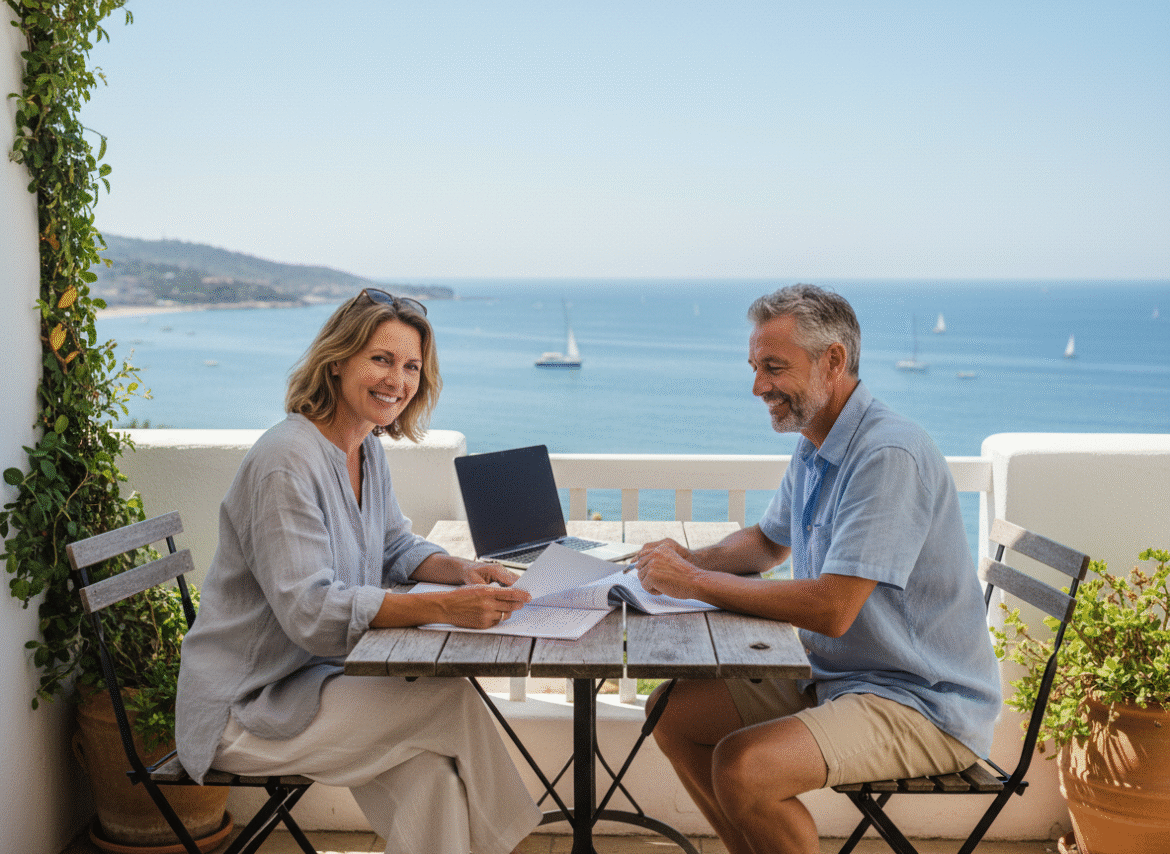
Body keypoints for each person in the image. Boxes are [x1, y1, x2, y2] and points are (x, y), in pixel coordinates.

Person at [633, 284, 1001, 854]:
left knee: (744, 766)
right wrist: (685, 561)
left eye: (774, 367)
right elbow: (765, 543)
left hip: (920, 701)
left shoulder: (886, 456)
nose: (759, 387)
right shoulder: (817, 440)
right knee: (671, 712)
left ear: (834, 360)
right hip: (839, 678)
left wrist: (697, 583)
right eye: (756, 367)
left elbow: (832, 609)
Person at [176, 289, 541, 854]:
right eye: (381, 359)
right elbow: (313, 615)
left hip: (313, 682)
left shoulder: (365, 448)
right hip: (244, 707)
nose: (397, 379)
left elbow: (394, 544)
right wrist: (446, 608)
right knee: (450, 700)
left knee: (432, 782)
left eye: (411, 366)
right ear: (338, 360)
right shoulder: (285, 461)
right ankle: (515, 843)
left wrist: (465, 572)